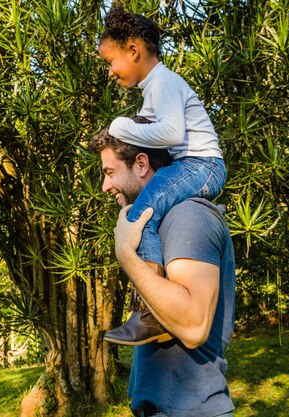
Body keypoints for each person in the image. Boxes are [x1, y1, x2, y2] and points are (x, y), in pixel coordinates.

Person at [98, 3, 227, 345]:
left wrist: (119, 125)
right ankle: (149, 311)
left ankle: (150, 314)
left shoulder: (164, 83)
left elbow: (169, 135)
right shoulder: (153, 90)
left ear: (133, 50)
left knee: (144, 215)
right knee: (147, 212)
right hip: (192, 165)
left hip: (202, 165)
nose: (110, 72)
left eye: (110, 62)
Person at [90, 131, 236, 417]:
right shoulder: (161, 224)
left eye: (110, 172)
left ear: (142, 164)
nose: (105, 186)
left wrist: (126, 256)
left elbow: (194, 327)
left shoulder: (187, 216)